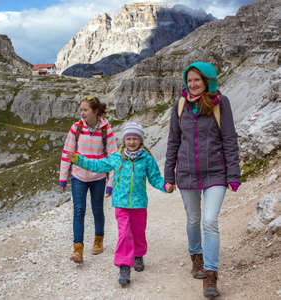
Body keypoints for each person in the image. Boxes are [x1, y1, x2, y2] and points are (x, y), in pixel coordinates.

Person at [164, 62, 241, 298]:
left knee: (209, 221)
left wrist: (233, 174)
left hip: (215, 173)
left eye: (197, 80)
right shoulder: (180, 106)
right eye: (189, 81)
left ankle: (210, 274)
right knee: (193, 220)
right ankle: (196, 257)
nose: (193, 84)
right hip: (186, 173)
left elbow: (229, 139)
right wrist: (169, 175)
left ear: (207, 81)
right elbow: (173, 142)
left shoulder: (221, 103)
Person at [67, 121, 173, 286]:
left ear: (140, 140)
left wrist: (165, 186)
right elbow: (98, 165)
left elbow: (155, 178)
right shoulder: (117, 157)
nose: (131, 142)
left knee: (138, 232)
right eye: (128, 138)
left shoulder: (146, 159)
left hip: (139, 204)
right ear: (124, 140)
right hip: (121, 204)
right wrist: (77, 159)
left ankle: (138, 254)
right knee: (124, 234)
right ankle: (124, 265)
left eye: (135, 138)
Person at [59, 96, 118, 264]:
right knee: (79, 210)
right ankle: (78, 249)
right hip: (78, 176)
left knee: (97, 209)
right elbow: (67, 152)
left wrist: (110, 183)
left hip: (98, 177)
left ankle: (98, 239)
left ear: (96, 111)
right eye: (81, 110)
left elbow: (114, 159)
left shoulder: (107, 130)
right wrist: (63, 177)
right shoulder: (76, 128)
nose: (82, 113)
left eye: (85, 110)